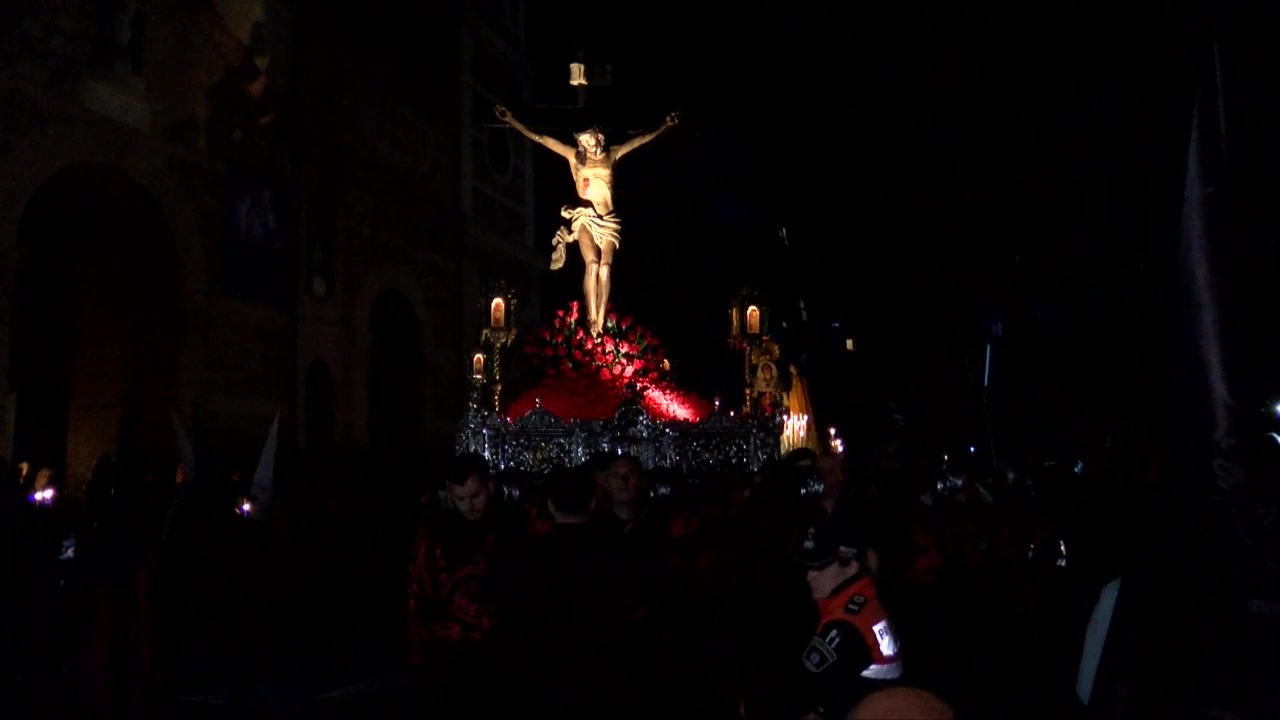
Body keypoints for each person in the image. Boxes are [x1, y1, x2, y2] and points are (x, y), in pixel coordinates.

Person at [494, 104, 678, 336]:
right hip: (585, 217)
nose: (587, 145)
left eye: (590, 140)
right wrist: (512, 120)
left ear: (599, 137)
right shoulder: (574, 158)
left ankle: (600, 318)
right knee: (591, 264)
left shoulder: (612, 153)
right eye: (583, 142)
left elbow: (640, 140)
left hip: (609, 220)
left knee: (606, 267)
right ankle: (592, 320)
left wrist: (663, 126)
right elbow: (541, 138)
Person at [794, 516, 903, 718]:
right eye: (808, 566)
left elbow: (805, 690)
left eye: (819, 566)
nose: (809, 575)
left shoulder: (846, 624)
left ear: (852, 565)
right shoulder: (867, 601)